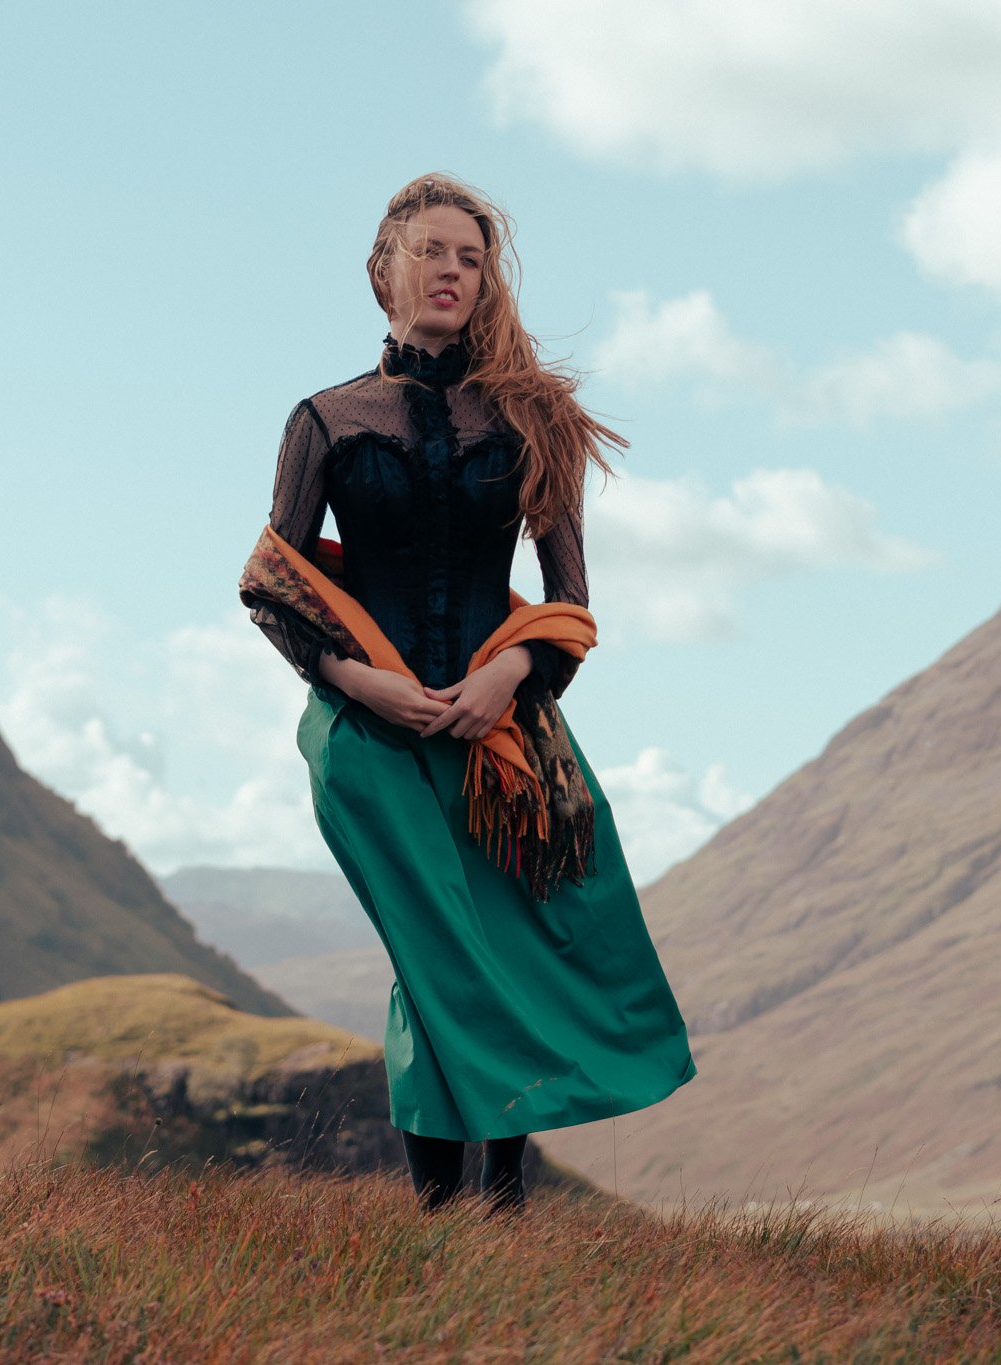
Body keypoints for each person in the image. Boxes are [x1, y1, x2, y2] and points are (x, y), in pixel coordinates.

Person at [242, 173, 697, 1216]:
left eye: (471, 257)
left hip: (506, 738)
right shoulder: (323, 418)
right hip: (368, 738)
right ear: (381, 269)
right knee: (433, 956)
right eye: (433, 251)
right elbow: (276, 589)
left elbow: (569, 599)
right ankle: (444, 1215)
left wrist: (504, 675)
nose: (452, 270)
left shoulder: (532, 420)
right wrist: (366, 687)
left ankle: (499, 1206)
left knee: (507, 953)